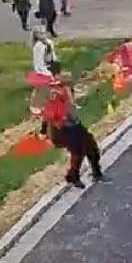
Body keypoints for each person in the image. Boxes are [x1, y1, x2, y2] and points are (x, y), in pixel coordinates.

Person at [43, 61, 104, 189]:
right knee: (78, 151)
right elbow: (51, 113)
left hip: (73, 123)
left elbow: (77, 89)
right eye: (63, 72)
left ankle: (95, 173)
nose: (67, 74)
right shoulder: (53, 91)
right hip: (63, 127)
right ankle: (73, 177)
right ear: (56, 75)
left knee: (91, 146)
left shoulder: (66, 86)